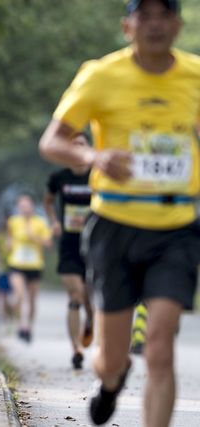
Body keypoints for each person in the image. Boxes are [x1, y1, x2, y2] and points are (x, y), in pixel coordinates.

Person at [39, 0, 200, 424]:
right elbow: (52, 141)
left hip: (176, 227)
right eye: (144, 16)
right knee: (109, 359)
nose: (155, 25)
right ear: (128, 26)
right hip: (115, 225)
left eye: (164, 15)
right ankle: (113, 379)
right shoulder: (101, 74)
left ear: (178, 25)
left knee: (160, 347)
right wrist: (93, 156)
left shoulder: (195, 75)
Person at [43, 134, 94, 370]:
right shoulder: (59, 177)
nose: (77, 149)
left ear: (88, 148)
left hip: (94, 245)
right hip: (69, 245)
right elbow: (48, 201)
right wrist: (54, 221)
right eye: (72, 145)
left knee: (90, 297)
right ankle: (76, 348)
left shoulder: (97, 175)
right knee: (75, 296)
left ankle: (91, 319)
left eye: (81, 144)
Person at [6, 194, 52, 343]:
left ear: (32, 206)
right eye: (22, 206)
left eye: (27, 205)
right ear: (18, 207)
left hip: (34, 265)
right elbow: (9, 239)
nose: (25, 208)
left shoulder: (40, 222)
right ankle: (20, 325)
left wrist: (34, 237)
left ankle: (29, 327)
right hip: (16, 263)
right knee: (19, 294)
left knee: (32, 300)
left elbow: (48, 243)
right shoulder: (13, 221)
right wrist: (8, 245)